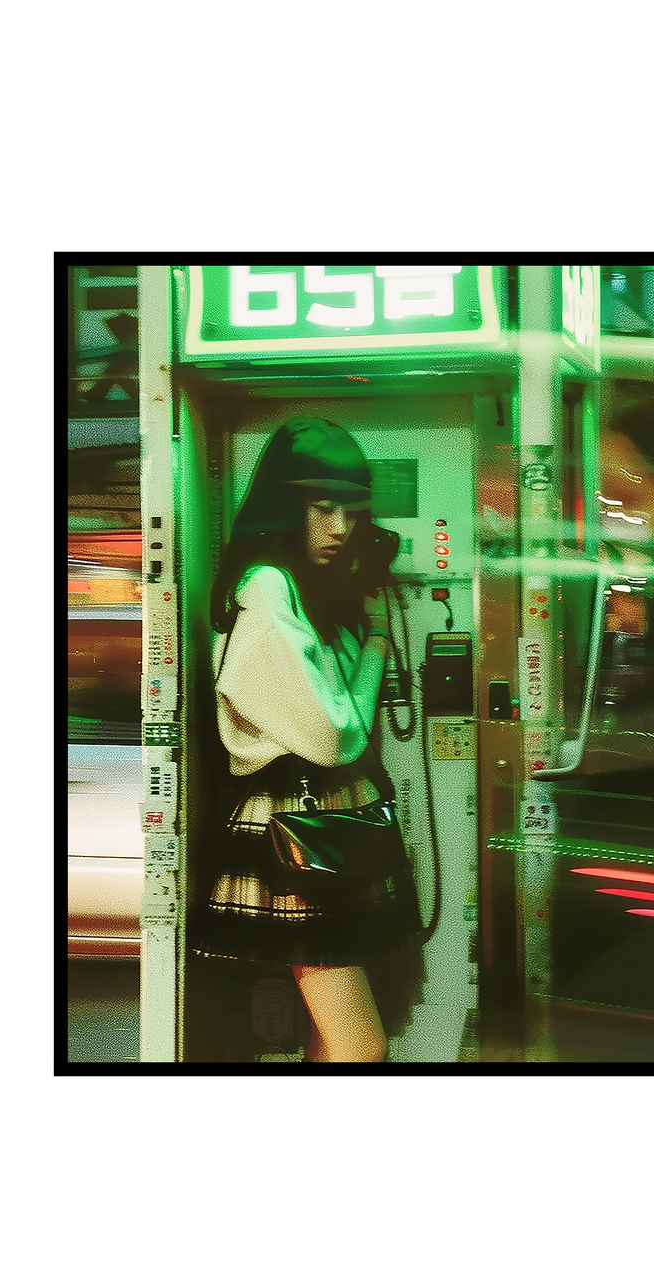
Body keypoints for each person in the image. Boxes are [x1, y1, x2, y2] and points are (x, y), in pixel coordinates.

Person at [191, 417, 423, 1063]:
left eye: (353, 510)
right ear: (287, 505)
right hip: (296, 831)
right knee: (362, 1044)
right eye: (324, 508)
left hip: (325, 826)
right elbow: (333, 736)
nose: (341, 528)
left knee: (334, 1037)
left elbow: (345, 713)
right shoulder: (267, 587)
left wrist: (371, 627)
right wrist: (374, 638)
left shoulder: (308, 592)